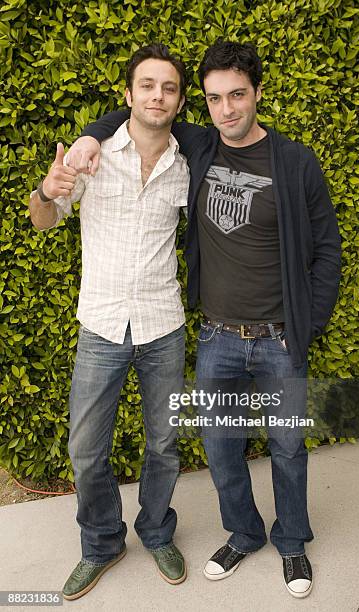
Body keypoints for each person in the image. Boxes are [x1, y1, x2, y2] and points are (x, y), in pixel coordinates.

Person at [67, 40, 341, 599]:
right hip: (217, 336)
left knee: (287, 447)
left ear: (257, 94)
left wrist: (305, 326)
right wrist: (91, 135)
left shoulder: (294, 162)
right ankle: (243, 532)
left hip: (279, 339)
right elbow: (143, 109)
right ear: (206, 106)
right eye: (215, 98)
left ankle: (292, 542)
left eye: (237, 95)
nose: (227, 109)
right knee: (220, 445)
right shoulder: (200, 145)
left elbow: (327, 249)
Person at [28, 43, 190, 600]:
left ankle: (156, 532)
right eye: (147, 85)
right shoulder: (90, 155)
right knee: (85, 449)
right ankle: (101, 543)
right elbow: (44, 219)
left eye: (168, 88)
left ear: (179, 100)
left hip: (163, 325)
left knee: (164, 444)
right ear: (128, 95)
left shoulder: (188, 165)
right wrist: (47, 191)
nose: (157, 95)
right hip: (100, 326)